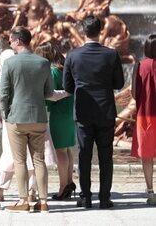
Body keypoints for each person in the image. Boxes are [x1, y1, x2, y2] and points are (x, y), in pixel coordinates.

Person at [63, 15, 124, 209]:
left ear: (83, 31)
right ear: (100, 31)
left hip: (83, 111)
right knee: (106, 155)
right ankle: (104, 198)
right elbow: (119, 83)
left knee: (84, 155)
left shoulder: (72, 55)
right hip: (105, 110)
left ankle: (85, 197)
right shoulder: (111, 54)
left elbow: (68, 87)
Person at [0, 26, 54, 212]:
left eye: (11, 41)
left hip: (17, 118)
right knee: (39, 161)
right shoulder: (43, 62)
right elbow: (49, 92)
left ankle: (23, 201)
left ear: (18, 41)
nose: (10, 44)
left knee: (20, 161)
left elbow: (5, 94)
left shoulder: (10, 63)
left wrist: (5, 115)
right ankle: (44, 201)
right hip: (39, 116)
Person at [35, 41, 76, 201]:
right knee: (67, 149)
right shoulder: (64, 68)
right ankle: (70, 182)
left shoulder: (51, 71)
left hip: (58, 113)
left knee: (60, 151)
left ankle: (63, 187)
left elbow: (49, 96)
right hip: (69, 112)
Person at [131, 34, 156, 206]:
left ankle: (150, 191)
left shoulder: (140, 65)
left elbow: (134, 93)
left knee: (147, 155)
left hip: (145, 116)